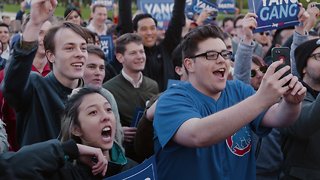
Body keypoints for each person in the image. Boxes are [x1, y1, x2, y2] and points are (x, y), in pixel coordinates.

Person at [153, 24, 306, 179]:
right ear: (189, 64)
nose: (222, 60)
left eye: (225, 54)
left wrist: (292, 103)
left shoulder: (239, 90)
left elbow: (279, 117)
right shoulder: (170, 100)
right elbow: (197, 135)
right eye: (211, 55)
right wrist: (261, 99)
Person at [2, 0, 89, 147]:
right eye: (69, 48)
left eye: (84, 48)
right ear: (51, 55)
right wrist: (34, 24)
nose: (79, 54)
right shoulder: (36, 87)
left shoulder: (95, 96)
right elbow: (12, 88)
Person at [0, 87, 137, 179]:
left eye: (108, 109)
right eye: (93, 112)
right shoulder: (63, 173)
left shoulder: (133, 169)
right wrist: (69, 149)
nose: (106, 116)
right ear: (76, 129)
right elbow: (7, 167)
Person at [103, 33, 159, 162]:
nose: (140, 57)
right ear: (120, 57)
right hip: (124, 157)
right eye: (133, 53)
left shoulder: (153, 85)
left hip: (150, 154)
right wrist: (118, 131)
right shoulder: (108, 89)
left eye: (141, 51)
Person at [117, 0, 186, 91]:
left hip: (166, 102)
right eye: (144, 29)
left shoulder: (167, 49)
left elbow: (177, 18)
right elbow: (124, 19)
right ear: (135, 32)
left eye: (153, 28)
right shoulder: (131, 53)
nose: (149, 33)